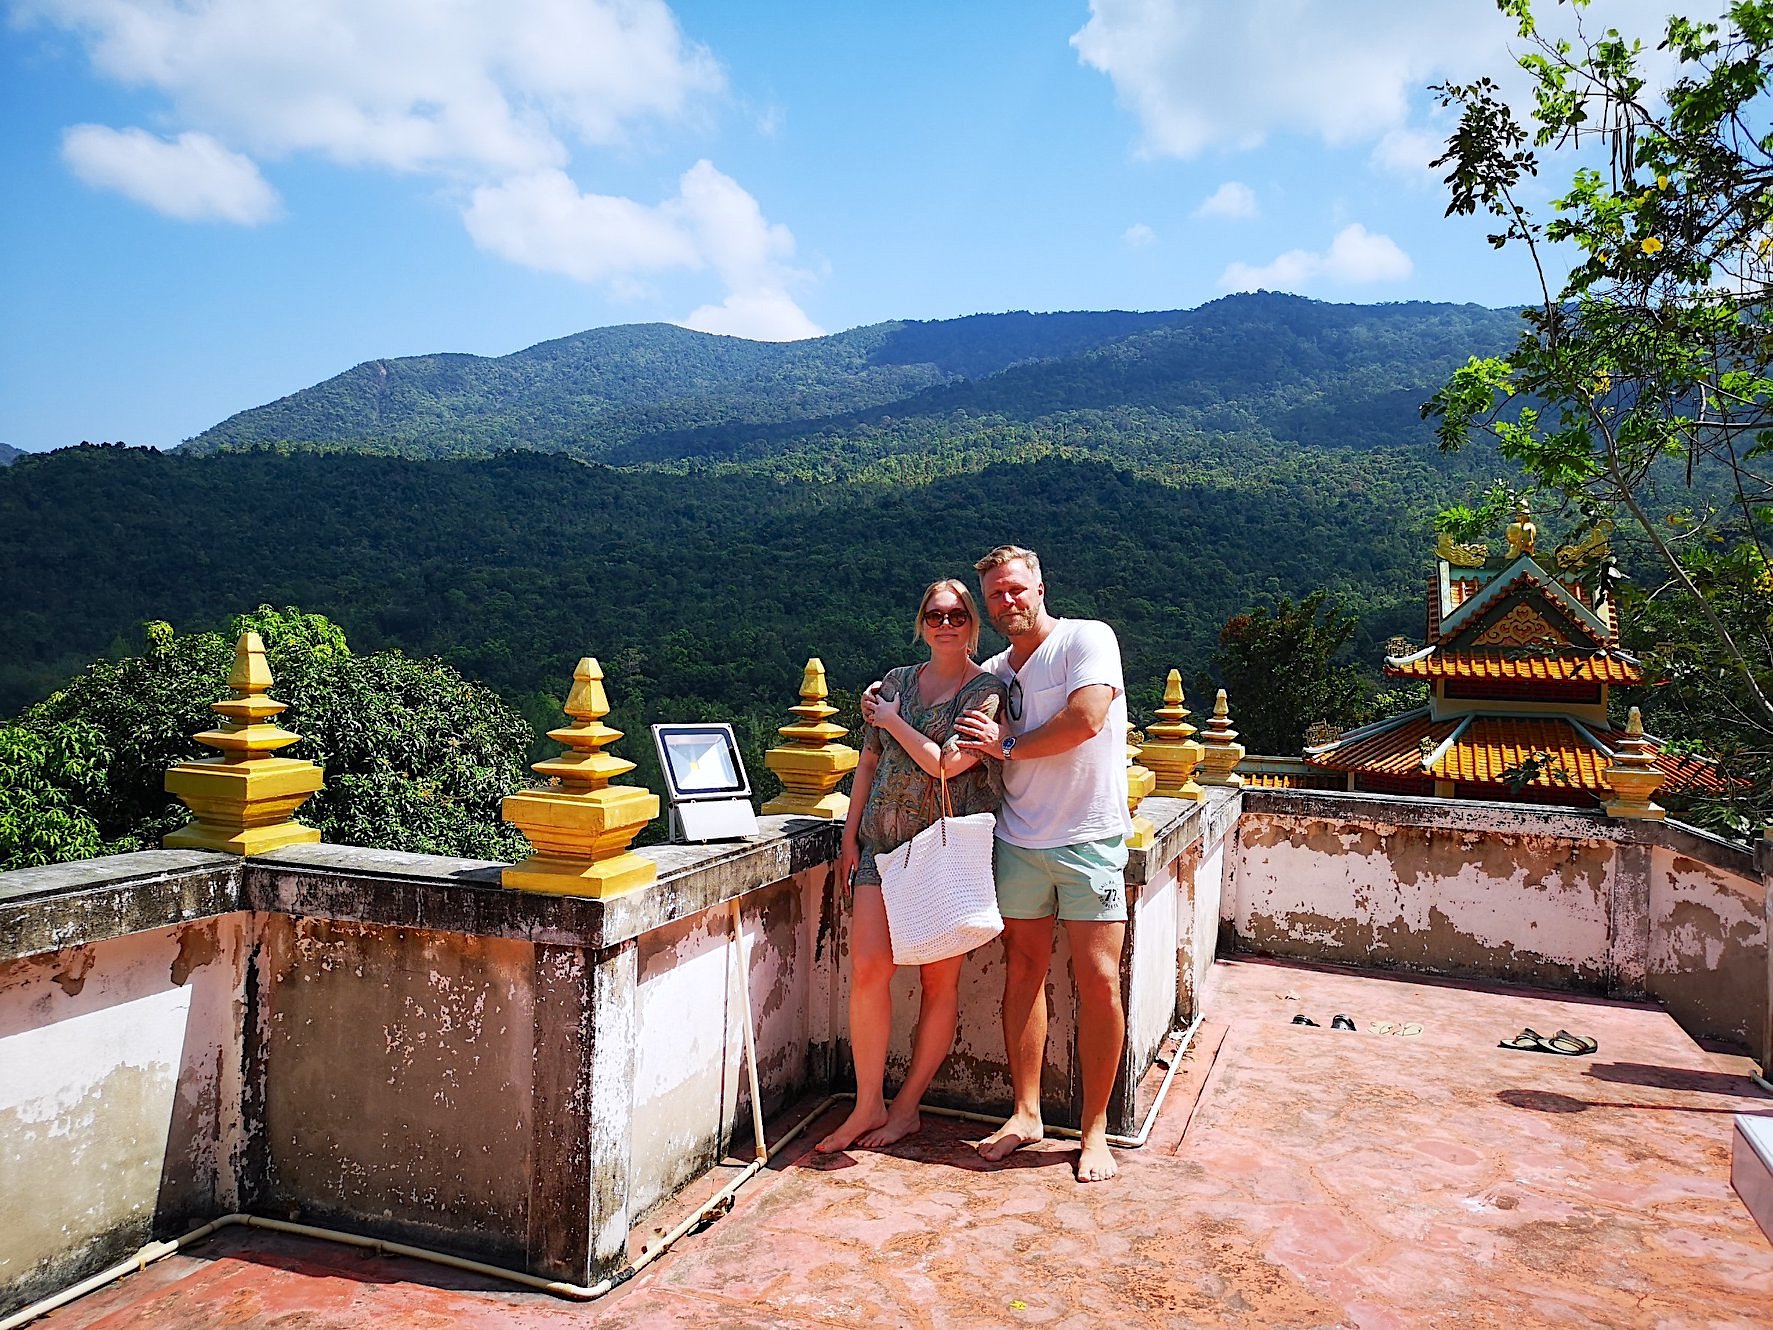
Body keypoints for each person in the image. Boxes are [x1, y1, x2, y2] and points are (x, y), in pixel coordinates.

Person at [952, 544, 1132, 1183]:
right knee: (1022, 972)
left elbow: (1086, 719)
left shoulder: (1088, 639)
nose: (1008, 602)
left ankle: (1094, 1130)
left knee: (1099, 981)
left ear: (1039, 586)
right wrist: (887, 710)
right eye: (996, 595)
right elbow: (959, 726)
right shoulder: (997, 671)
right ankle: (1026, 1113)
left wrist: (1006, 745)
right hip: (1019, 839)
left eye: (1016, 589)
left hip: (1090, 839)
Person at [815, 579, 1009, 1154]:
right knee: (870, 971)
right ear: (920, 622)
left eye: (955, 615)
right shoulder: (896, 682)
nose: (944, 624)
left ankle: (906, 1108)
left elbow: (948, 766)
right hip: (880, 846)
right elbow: (868, 764)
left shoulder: (986, 692)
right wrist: (850, 837)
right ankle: (868, 1101)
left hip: (942, 851)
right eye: (933, 614)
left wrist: (893, 719)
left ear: (972, 624)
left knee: (937, 981)